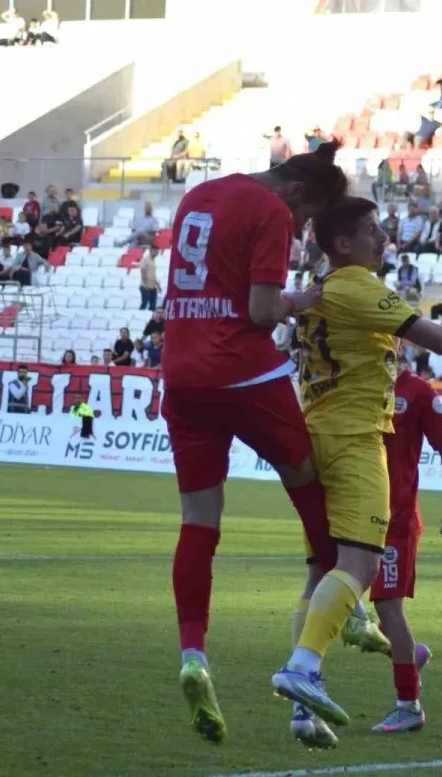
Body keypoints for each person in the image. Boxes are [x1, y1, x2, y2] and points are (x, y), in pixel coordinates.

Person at [271, 196, 442, 737]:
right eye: (372, 230)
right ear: (343, 245)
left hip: (314, 433)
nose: (384, 239)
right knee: (359, 566)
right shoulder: (356, 285)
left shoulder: (320, 287)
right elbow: (436, 337)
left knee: (320, 571)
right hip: (356, 437)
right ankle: (303, 668)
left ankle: (301, 705)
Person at [159, 141, 349, 744]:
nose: (302, 227)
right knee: (313, 488)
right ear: (298, 193)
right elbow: (264, 311)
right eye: (308, 215)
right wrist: (305, 301)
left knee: (198, 520)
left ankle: (194, 655)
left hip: (180, 372)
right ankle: (348, 613)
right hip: (240, 370)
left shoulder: (199, 194)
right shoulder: (270, 210)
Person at [359, 364, 442, 734]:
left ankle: (409, 705)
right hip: (355, 514)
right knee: (337, 593)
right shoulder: (357, 380)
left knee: (388, 605)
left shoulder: (418, 391)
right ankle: (407, 654)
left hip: (396, 521)